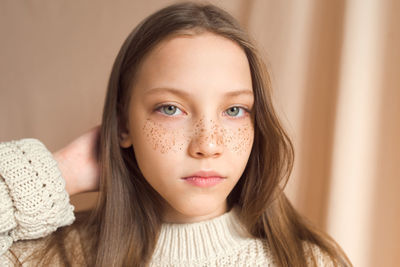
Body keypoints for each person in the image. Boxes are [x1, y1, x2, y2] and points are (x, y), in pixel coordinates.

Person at [0, 1, 353, 266]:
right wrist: (61, 171)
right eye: (171, 108)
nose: (208, 145)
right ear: (123, 125)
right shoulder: (52, 259)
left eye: (234, 111)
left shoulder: (307, 261)